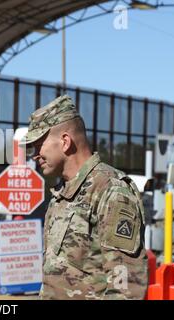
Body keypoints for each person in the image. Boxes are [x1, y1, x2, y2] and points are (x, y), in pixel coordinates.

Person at [23, 95, 148, 300]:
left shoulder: (111, 190)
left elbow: (126, 287)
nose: (34, 155)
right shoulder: (63, 193)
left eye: (39, 146)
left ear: (65, 142)